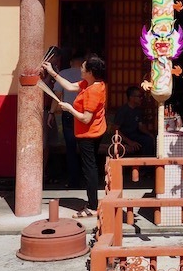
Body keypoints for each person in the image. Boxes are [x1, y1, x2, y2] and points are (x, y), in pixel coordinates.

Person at [43, 54, 107, 217]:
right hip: (94, 130)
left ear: (90, 72)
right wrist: (53, 72)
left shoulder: (93, 90)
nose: (80, 69)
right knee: (90, 167)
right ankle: (92, 202)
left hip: (89, 134)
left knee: (89, 169)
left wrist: (69, 108)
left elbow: (86, 118)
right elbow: (70, 87)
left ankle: (92, 206)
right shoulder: (91, 83)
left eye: (83, 68)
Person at [49, 54, 84, 188]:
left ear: (70, 62)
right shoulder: (86, 75)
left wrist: (51, 112)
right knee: (85, 147)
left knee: (71, 147)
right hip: (84, 114)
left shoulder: (63, 73)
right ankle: (87, 179)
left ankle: (73, 180)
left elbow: (57, 95)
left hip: (69, 113)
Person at [112, 86, 156, 157]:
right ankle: (146, 162)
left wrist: (150, 134)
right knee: (147, 141)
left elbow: (141, 126)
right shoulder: (123, 111)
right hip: (126, 136)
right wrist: (129, 142)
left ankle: (147, 162)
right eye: (139, 96)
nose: (141, 98)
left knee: (149, 139)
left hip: (136, 135)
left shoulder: (137, 110)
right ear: (131, 97)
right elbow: (115, 129)